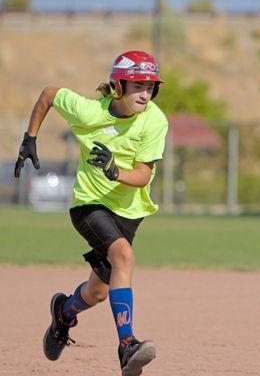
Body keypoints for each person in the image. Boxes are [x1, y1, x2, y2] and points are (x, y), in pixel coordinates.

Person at [14, 50, 168, 376]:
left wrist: (115, 172)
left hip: (129, 212)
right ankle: (127, 346)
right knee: (123, 257)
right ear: (117, 85)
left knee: (98, 291)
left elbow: (142, 175)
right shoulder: (88, 111)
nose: (145, 93)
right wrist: (30, 138)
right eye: (138, 85)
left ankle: (64, 314)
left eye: (151, 86)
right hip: (89, 206)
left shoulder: (155, 120)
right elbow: (49, 95)